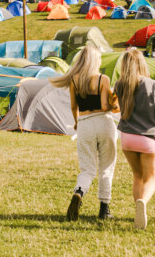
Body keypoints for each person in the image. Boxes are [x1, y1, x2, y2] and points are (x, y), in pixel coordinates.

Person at [50, 46, 116, 221]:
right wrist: (114, 103)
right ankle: (104, 209)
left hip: (85, 124)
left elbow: (74, 106)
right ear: (96, 61)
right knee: (106, 167)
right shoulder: (103, 79)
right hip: (104, 122)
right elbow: (104, 106)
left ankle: (79, 192)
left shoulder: (74, 80)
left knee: (87, 168)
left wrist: (76, 122)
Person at [114, 47, 155, 230]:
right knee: (150, 178)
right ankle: (143, 203)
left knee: (137, 176)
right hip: (148, 138)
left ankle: (138, 211)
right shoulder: (153, 85)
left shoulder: (119, 85)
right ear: (142, 63)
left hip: (127, 138)